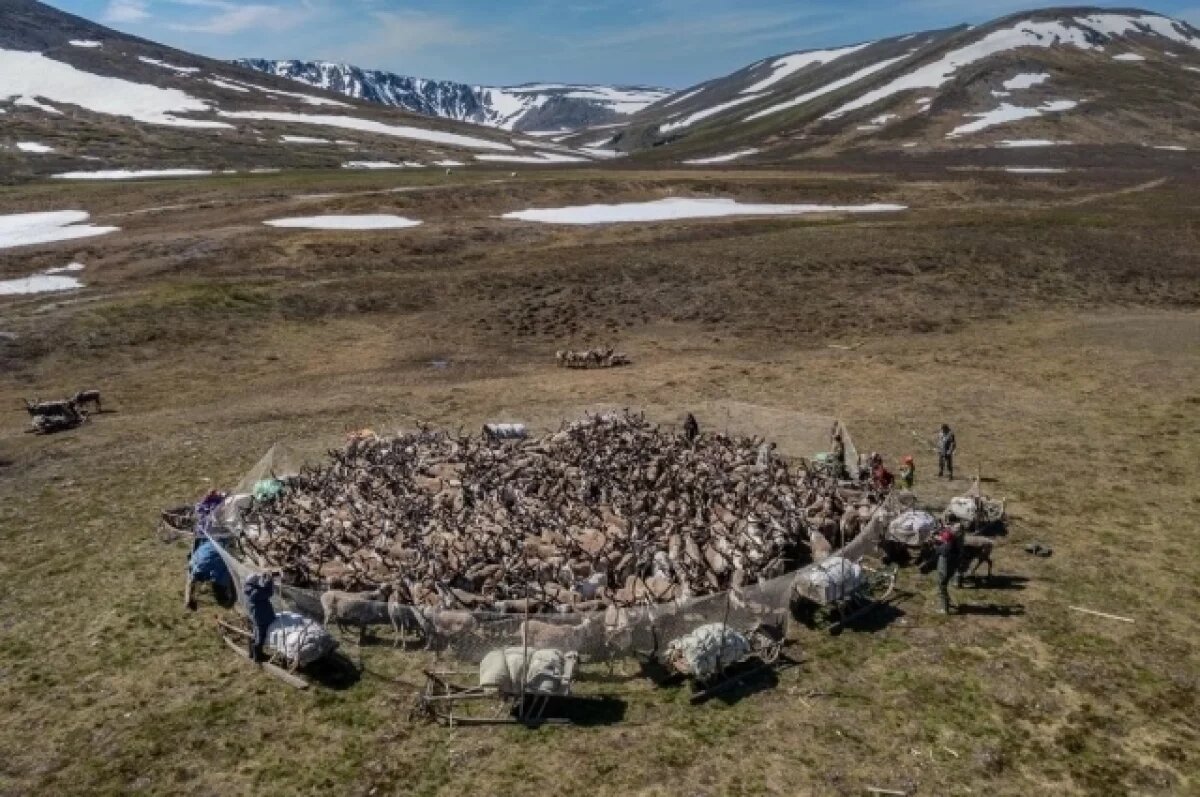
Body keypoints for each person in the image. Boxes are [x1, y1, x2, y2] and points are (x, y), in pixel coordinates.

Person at [184, 536, 232, 611]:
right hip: (206, 543)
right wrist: (188, 599)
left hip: (219, 542)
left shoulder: (221, 575)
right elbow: (190, 581)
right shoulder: (199, 567)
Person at [244, 572, 278, 662]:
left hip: (256, 615)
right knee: (260, 636)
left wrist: (263, 578)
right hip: (261, 617)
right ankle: (258, 657)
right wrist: (269, 581)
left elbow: (261, 589)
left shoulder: (249, 588)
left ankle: (252, 653)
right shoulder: (256, 592)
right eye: (258, 579)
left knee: (255, 634)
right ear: (254, 582)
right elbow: (268, 592)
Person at [934, 520, 965, 614]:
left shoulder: (947, 548)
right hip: (951, 568)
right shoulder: (957, 544)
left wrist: (936, 546)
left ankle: (944, 608)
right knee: (944, 586)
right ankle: (947, 602)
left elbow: (940, 550)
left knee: (941, 586)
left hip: (944, 570)